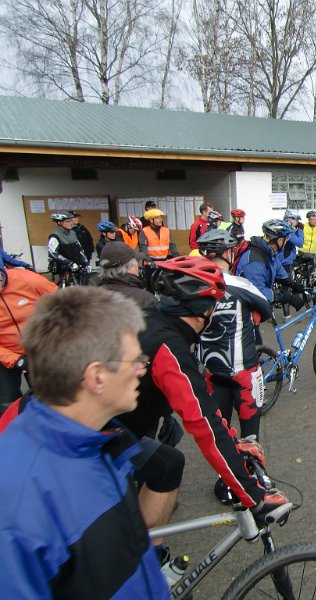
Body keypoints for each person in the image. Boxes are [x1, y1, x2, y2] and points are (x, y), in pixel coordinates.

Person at [0, 286, 170, 598]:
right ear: (97, 377)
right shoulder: (18, 502)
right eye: (134, 360)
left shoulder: (99, 443)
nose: (141, 370)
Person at [117, 256, 287, 516]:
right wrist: (253, 495)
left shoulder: (151, 318)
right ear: (202, 311)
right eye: (214, 307)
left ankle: (153, 551)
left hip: (114, 428)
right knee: (114, 522)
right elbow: (204, 424)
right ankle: (136, 551)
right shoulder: (170, 347)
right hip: (95, 441)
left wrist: (234, 442)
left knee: (170, 463)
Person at [197, 229, 272, 441]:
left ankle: (227, 473)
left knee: (221, 436)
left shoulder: (194, 284)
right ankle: (253, 471)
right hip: (244, 371)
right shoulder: (239, 284)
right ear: (227, 254)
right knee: (250, 438)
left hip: (212, 370)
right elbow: (265, 310)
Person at [0, 265, 57, 405]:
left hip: (41, 348)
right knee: (7, 404)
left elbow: (62, 301)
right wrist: (16, 360)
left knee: (52, 398)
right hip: (6, 354)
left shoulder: (26, 279)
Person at [236, 219, 304, 313]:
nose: (287, 241)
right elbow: (257, 292)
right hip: (244, 310)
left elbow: (279, 270)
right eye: (287, 238)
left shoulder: (269, 252)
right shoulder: (254, 261)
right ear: (280, 240)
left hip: (257, 306)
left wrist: (292, 284)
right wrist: (284, 297)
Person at [97, 242, 156, 308]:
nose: (137, 264)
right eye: (136, 260)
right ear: (129, 266)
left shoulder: (92, 297)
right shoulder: (146, 299)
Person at [47, 212, 89, 282]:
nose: (71, 223)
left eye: (71, 220)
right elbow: (53, 253)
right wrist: (69, 263)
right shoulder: (54, 236)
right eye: (68, 221)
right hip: (64, 269)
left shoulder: (73, 233)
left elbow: (80, 250)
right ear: (59, 222)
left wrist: (86, 263)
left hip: (77, 267)